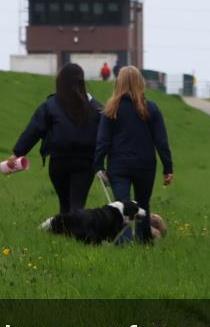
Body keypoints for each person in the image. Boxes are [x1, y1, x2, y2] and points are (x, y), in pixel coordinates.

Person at [93, 66, 174, 244]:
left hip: (118, 166)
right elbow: (161, 142)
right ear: (140, 83)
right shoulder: (151, 109)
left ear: (118, 83)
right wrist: (167, 168)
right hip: (145, 166)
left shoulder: (111, 110)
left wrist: (98, 166)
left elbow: (103, 141)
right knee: (143, 205)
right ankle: (143, 241)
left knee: (122, 206)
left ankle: (124, 243)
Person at [9, 63, 102, 215]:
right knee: (78, 206)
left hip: (59, 162)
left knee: (65, 205)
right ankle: (76, 236)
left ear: (60, 82)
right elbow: (106, 137)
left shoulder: (50, 105)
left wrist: (17, 153)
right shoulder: (97, 108)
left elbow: (33, 130)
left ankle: (66, 234)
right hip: (85, 163)